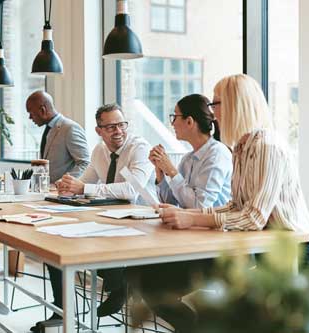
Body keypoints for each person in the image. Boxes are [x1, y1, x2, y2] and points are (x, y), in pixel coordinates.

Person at [129, 74, 309, 332]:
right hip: (262, 247)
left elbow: (253, 217)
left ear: (235, 104)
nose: (212, 112)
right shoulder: (241, 147)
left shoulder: (266, 146)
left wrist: (192, 217)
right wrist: (188, 215)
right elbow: (234, 206)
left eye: (215, 103)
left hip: (292, 253)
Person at [32, 104, 154, 332]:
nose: (117, 131)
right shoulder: (99, 151)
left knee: (93, 243)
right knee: (58, 242)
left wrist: (83, 187)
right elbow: (85, 181)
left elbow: (131, 191)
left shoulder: (139, 148)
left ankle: (121, 285)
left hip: (143, 221)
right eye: (110, 127)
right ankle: (65, 308)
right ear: (99, 131)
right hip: (112, 218)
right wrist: (68, 185)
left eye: (121, 125)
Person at [150, 94, 232, 208]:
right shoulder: (187, 159)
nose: (172, 123)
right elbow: (172, 204)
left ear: (189, 121)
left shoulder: (217, 154)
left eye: (175, 116)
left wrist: (172, 170)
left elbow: (200, 207)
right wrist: (160, 172)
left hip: (215, 225)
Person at [26, 90, 90, 182]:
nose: (30, 118)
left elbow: (85, 163)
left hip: (63, 192)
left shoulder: (70, 128)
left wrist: (64, 182)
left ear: (42, 110)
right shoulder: (49, 129)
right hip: (48, 190)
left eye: (31, 113)